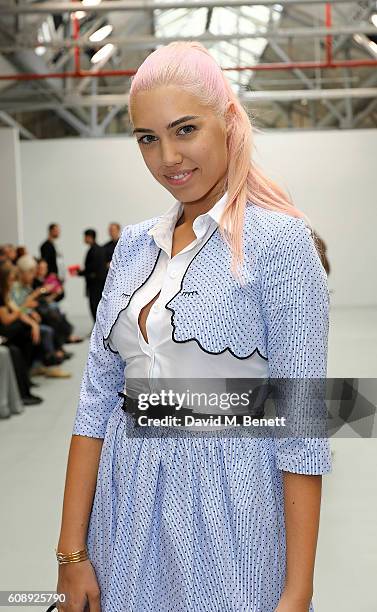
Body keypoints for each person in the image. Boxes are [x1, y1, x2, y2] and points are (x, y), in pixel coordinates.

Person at [56, 42, 332, 612]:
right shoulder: (132, 246)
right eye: (147, 139)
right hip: (124, 502)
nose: (168, 158)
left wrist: (298, 592)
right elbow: (96, 401)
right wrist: (71, 553)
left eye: (185, 130)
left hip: (232, 508)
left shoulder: (280, 242)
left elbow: (301, 415)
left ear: (229, 122)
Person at [76, 229, 107, 322]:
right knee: (97, 305)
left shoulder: (94, 250)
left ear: (89, 237)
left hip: (95, 284)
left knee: (94, 305)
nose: (84, 239)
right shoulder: (99, 249)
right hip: (98, 283)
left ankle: (98, 329)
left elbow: (92, 267)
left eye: (85, 237)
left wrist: (81, 272)